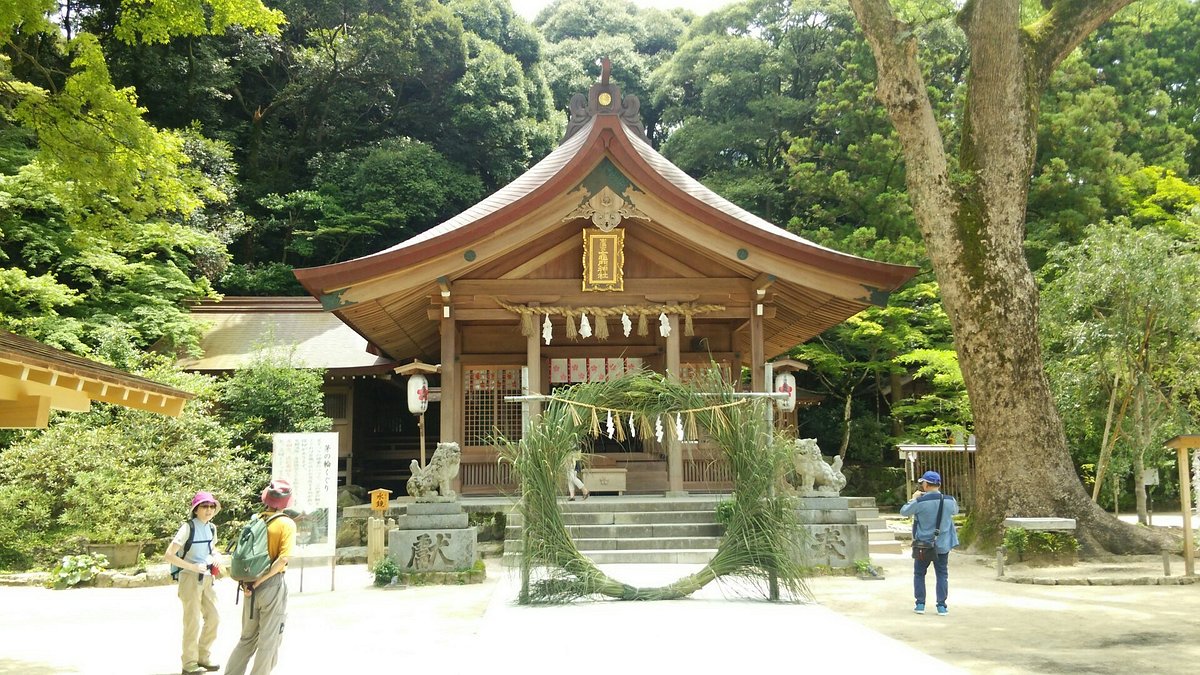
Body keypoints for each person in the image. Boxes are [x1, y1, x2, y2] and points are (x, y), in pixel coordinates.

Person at [227, 479, 297, 675]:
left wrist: (251, 583)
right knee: (269, 639)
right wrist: (262, 580)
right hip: (271, 585)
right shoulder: (286, 524)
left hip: (248, 586)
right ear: (287, 501)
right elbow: (283, 559)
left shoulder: (256, 519)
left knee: (247, 639)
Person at [164, 491, 223, 675]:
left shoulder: (211, 528)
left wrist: (216, 556)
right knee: (192, 622)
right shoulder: (187, 528)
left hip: (206, 578)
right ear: (196, 509)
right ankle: (189, 663)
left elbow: (212, 548)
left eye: (211, 506)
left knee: (214, 618)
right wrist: (191, 566)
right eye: (204, 506)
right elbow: (169, 555)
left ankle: (203, 657)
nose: (209, 510)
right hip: (189, 579)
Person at [900, 470, 959, 616]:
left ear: (925, 484)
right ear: (938, 484)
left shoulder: (920, 502)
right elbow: (955, 512)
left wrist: (913, 499)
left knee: (919, 573)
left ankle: (920, 604)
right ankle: (941, 606)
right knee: (942, 574)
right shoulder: (950, 500)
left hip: (923, 546)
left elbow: (904, 512)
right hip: (943, 544)